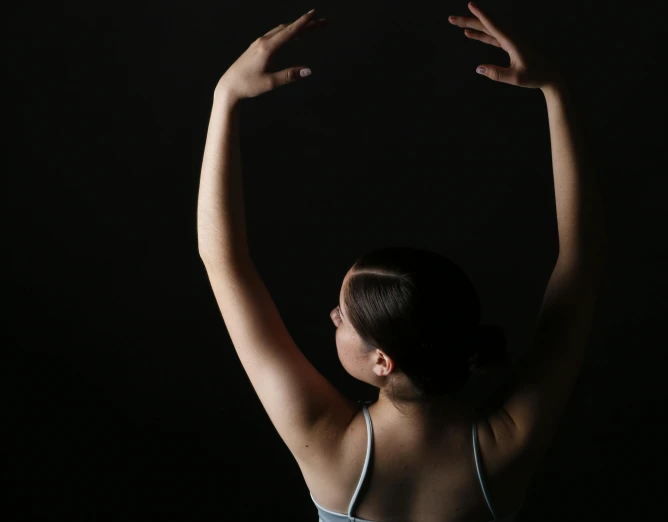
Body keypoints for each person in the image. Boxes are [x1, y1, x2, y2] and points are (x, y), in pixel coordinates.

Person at [199, 3, 607, 521]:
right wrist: (557, 92)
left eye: (343, 316)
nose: (332, 317)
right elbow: (582, 260)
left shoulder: (327, 450)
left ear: (382, 361)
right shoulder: (508, 447)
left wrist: (224, 98)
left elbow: (223, 261)